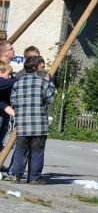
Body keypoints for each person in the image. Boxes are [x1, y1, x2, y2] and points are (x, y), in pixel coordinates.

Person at [9, 55, 56, 184]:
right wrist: (50, 83)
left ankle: (16, 175)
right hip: (39, 125)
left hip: (23, 123)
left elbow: (12, 100)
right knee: (37, 152)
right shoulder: (43, 83)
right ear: (35, 68)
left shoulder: (18, 83)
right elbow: (51, 98)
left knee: (20, 151)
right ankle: (34, 177)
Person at [0, 60, 16, 153]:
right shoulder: (2, 82)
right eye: (8, 74)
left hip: (4, 112)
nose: (10, 77)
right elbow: (14, 81)